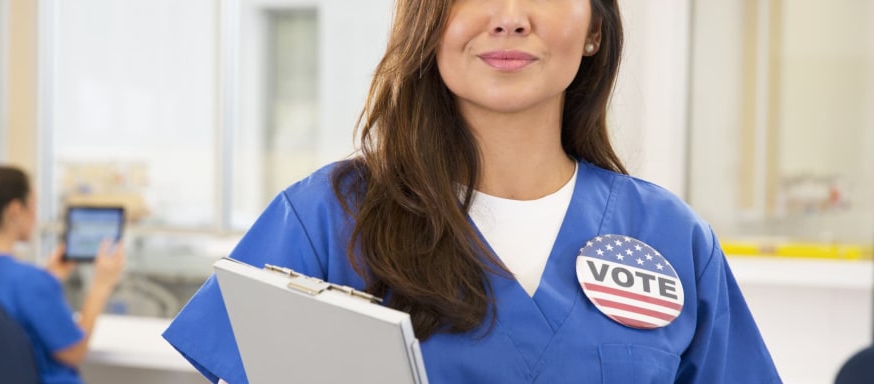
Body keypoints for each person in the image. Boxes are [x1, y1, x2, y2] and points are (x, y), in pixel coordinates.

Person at [164, 0, 782, 382]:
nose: (510, 15)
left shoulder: (669, 238)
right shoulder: (329, 217)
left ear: (596, 27)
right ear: (428, 21)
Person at [0, 166, 125, 384]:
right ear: (15, 210)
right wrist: (100, 287)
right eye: (34, 204)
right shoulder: (30, 281)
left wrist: (50, 278)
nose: (36, 215)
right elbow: (74, 352)